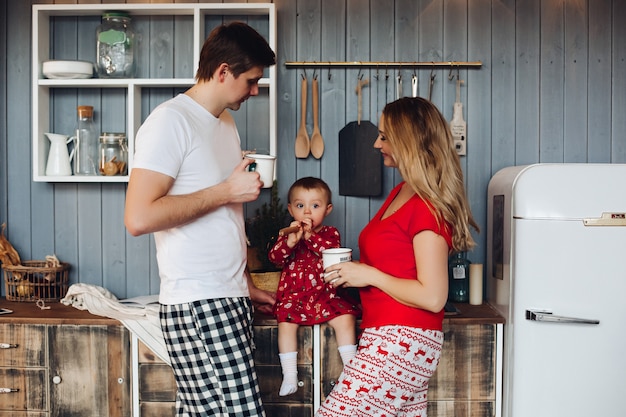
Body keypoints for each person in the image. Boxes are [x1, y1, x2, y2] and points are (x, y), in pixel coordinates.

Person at [124, 22, 277, 417]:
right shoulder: (169, 122)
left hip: (225, 297)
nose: (255, 90)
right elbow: (138, 218)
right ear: (223, 71)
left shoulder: (224, 123)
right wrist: (227, 190)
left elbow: (223, 220)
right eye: (252, 80)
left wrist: (243, 283)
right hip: (199, 303)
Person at [316, 97, 479, 417]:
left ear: (409, 142)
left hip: (403, 338)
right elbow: (397, 264)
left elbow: (433, 297)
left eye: (385, 136)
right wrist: (358, 271)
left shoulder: (426, 206)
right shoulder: (402, 192)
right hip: (388, 334)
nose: (377, 143)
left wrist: (368, 275)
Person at [269, 177, 360, 397]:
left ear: (327, 209)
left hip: (326, 294)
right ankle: (290, 375)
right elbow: (274, 258)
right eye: (300, 206)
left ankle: (353, 372)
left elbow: (330, 251)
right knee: (285, 323)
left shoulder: (330, 233)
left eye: (315, 206)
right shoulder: (289, 235)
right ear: (291, 209)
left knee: (345, 317)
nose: (307, 213)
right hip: (295, 296)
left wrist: (310, 236)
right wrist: (291, 242)